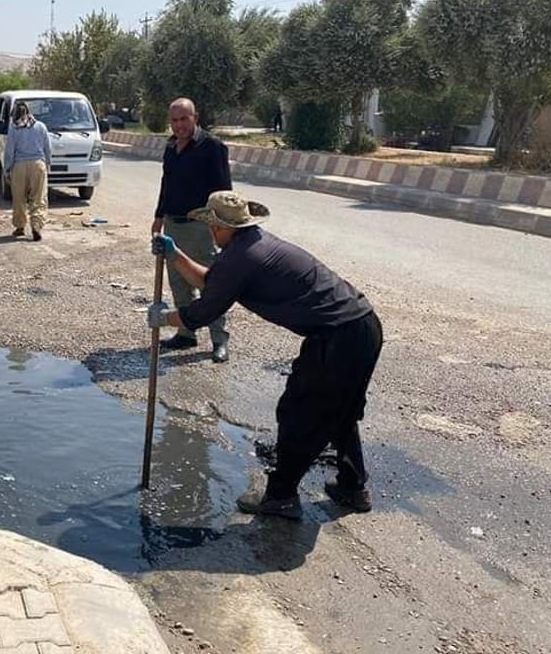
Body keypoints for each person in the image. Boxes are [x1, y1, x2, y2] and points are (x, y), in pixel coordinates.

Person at [148, 190, 382, 520]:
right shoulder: (251, 244)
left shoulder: (242, 257)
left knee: (299, 413)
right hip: (361, 326)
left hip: (339, 337)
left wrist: (164, 317)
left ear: (222, 227)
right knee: (339, 410)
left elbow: (203, 311)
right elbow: (213, 282)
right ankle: (353, 487)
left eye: (212, 226)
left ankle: (281, 497)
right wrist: (175, 256)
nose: (211, 233)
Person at [151, 98, 232, 363]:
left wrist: (220, 227)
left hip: (202, 228)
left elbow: (223, 192)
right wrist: (159, 217)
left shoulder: (212, 147)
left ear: (194, 117)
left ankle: (220, 340)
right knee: (178, 282)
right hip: (174, 225)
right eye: (174, 121)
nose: (179, 125)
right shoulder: (171, 147)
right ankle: (186, 333)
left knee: (212, 284)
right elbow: (166, 184)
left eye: (184, 119)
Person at [2, 101, 52, 241]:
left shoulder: (14, 128)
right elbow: (48, 147)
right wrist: (48, 163)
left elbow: (9, 151)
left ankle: (20, 227)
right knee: (39, 197)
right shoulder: (41, 127)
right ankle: (36, 225)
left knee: (19, 198)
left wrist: (7, 169)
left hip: (19, 166)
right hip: (38, 165)